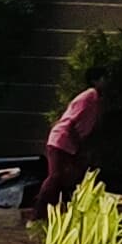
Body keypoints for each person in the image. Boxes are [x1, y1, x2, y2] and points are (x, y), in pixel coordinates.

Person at [31, 82, 100, 222]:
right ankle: (38, 213)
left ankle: (64, 212)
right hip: (62, 140)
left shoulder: (97, 100)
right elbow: (71, 122)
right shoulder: (89, 96)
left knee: (71, 177)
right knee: (55, 176)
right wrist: (78, 143)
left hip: (70, 143)